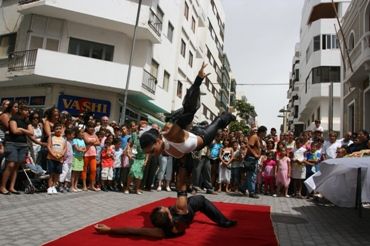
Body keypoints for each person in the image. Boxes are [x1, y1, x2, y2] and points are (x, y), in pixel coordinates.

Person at [95, 162, 236, 238]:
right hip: (188, 210)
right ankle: (224, 222)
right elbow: (182, 184)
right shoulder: (180, 211)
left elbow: (132, 230)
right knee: (200, 198)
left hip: (180, 216)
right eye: (166, 209)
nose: (166, 207)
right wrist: (184, 165)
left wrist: (110, 229)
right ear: (169, 215)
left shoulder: (159, 232)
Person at [139, 63, 236, 159]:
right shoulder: (163, 143)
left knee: (219, 121)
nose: (152, 154)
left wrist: (198, 80)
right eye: (149, 153)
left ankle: (229, 115)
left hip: (203, 137)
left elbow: (188, 111)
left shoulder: (171, 135)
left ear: (158, 141)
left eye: (152, 151)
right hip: (193, 135)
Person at [0, 103, 32, 195]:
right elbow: (14, 131)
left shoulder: (27, 121)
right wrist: (24, 131)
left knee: (16, 166)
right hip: (12, 143)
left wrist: (21, 129)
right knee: (10, 164)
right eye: (25, 110)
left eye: (28, 110)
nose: (27, 112)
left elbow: (31, 132)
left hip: (23, 144)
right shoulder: (13, 118)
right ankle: (2, 186)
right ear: (21, 111)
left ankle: (11, 187)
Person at [46, 123, 67, 195]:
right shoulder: (51, 137)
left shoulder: (64, 138)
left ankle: (54, 186)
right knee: (51, 173)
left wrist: (61, 154)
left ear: (62, 130)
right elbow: (48, 146)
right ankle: (49, 187)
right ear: (54, 130)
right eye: (56, 129)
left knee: (57, 173)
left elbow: (65, 148)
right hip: (51, 158)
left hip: (60, 158)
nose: (58, 130)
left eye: (59, 129)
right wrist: (53, 154)